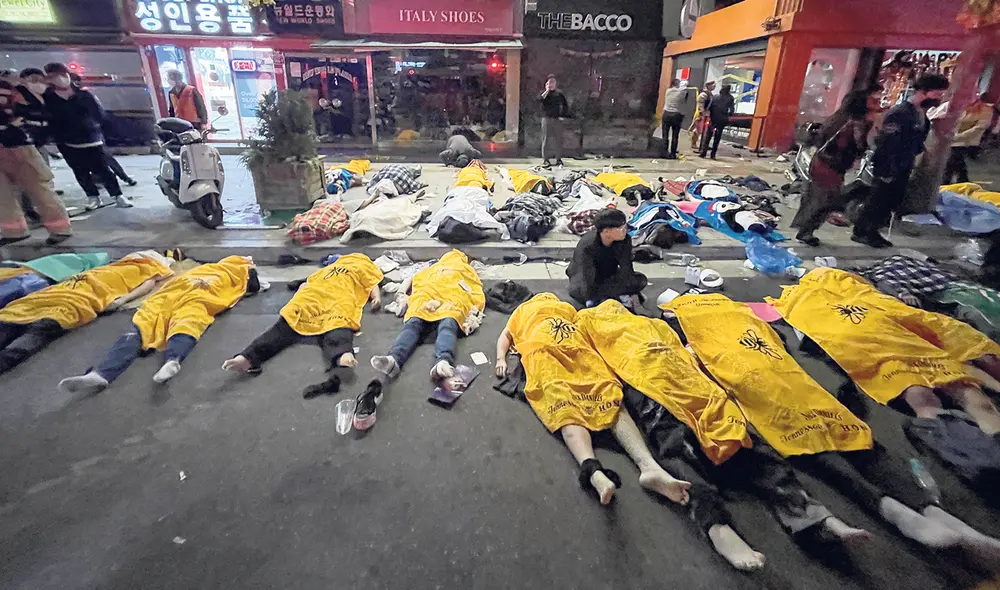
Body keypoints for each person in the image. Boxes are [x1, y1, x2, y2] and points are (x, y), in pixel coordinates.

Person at [663, 293, 1000, 556]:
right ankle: (894, 509)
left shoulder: (697, 318)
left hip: (779, 379)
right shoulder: (701, 319)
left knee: (850, 439)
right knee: (828, 446)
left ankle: (929, 510)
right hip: (764, 385)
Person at [495, 293, 692, 507]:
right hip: (545, 353)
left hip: (576, 349)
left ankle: (649, 467)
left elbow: (585, 326)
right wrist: (500, 359)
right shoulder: (522, 311)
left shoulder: (563, 308)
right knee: (565, 405)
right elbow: (505, 336)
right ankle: (593, 470)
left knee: (608, 395)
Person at [769, 267, 1000, 435]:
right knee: (961, 389)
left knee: (923, 396)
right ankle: (979, 438)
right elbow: (898, 310)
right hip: (883, 330)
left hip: (866, 336)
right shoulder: (844, 285)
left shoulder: (801, 299)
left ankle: (963, 444)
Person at [58, 256, 266, 393]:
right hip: (184, 293)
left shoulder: (231, 269)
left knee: (169, 322)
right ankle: (101, 374)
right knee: (176, 323)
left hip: (192, 294)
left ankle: (168, 361)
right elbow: (251, 286)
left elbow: (247, 285)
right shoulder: (227, 269)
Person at [222, 254, 382, 399]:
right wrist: (302, 289)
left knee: (338, 322)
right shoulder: (327, 269)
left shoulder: (363, 268)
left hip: (340, 296)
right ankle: (249, 357)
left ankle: (341, 353)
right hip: (314, 296)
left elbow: (372, 284)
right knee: (288, 322)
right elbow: (309, 282)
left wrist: (376, 298)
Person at [0, 251, 174, 375]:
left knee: (31, 328)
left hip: (71, 301)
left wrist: (123, 300)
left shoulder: (148, 267)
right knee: (20, 323)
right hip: (59, 296)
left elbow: (148, 283)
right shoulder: (112, 266)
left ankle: (6, 358)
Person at [365, 250, 485, 427]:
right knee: (425, 323)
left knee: (437, 324)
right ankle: (394, 360)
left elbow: (473, 289)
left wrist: (472, 310)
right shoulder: (435, 267)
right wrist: (403, 294)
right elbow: (475, 291)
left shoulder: (464, 269)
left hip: (451, 296)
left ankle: (441, 361)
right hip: (431, 295)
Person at [852, 73, 950, 248]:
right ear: (924, 91)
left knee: (890, 200)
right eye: (937, 93)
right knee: (877, 200)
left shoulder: (920, 114)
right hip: (890, 165)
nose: (939, 98)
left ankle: (871, 231)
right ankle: (862, 232)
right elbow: (887, 144)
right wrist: (886, 170)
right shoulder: (900, 113)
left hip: (904, 164)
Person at [42, 62, 131, 210]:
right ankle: (93, 197)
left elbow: (100, 115)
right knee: (80, 171)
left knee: (103, 170)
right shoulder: (49, 98)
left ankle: (117, 195)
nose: (60, 79)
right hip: (67, 142)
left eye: (62, 74)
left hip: (92, 139)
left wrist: (99, 130)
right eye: (54, 76)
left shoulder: (84, 95)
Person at [791, 91, 872, 246]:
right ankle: (805, 231)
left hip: (822, 162)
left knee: (815, 198)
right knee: (825, 201)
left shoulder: (838, 117)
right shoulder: (854, 124)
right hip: (831, 167)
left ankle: (804, 230)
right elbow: (856, 146)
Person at [0, 80, 72, 246]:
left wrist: (13, 127)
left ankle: (60, 229)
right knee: (2, 195)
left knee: (40, 189)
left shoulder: (11, 90)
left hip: (19, 148)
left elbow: (35, 115)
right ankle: (14, 231)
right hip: (9, 146)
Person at [566, 208, 646, 308]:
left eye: (625, 227)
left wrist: (630, 283)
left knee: (640, 280)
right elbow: (584, 274)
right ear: (607, 231)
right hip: (584, 277)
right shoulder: (588, 244)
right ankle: (604, 298)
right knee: (579, 290)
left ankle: (606, 297)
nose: (625, 231)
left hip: (608, 276)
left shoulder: (625, 240)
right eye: (621, 229)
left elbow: (626, 268)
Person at [940, 93, 994, 185]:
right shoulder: (962, 107)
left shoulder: (985, 109)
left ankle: (946, 181)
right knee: (956, 160)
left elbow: (979, 128)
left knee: (953, 157)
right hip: (953, 139)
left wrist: (957, 136)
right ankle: (962, 179)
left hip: (970, 141)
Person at [539, 74, 569, 168]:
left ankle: (558, 159)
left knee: (558, 140)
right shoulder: (543, 93)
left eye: (553, 82)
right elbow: (540, 100)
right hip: (546, 119)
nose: (551, 84)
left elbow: (565, 105)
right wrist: (547, 90)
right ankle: (546, 159)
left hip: (557, 119)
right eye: (549, 82)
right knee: (546, 139)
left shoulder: (559, 94)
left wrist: (563, 116)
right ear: (546, 84)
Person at [699, 85, 734, 159]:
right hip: (722, 120)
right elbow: (731, 110)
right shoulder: (730, 98)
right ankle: (713, 154)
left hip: (713, 118)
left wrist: (710, 113)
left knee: (708, 136)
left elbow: (709, 107)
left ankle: (703, 153)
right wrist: (727, 115)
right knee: (717, 138)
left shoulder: (715, 97)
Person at [661, 79, 685, 159]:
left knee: (665, 135)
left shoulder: (668, 91)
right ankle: (673, 154)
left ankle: (664, 153)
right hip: (676, 115)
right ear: (678, 85)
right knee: (675, 135)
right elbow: (684, 94)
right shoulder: (681, 92)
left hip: (666, 114)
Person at [689, 81, 715, 150]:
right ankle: (693, 143)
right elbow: (700, 104)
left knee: (705, 130)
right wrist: (702, 112)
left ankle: (703, 144)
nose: (714, 86)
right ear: (708, 86)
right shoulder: (704, 94)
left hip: (707, 114)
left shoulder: (709, 94)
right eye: (713, 85)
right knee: (698, 129)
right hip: (701, 115)